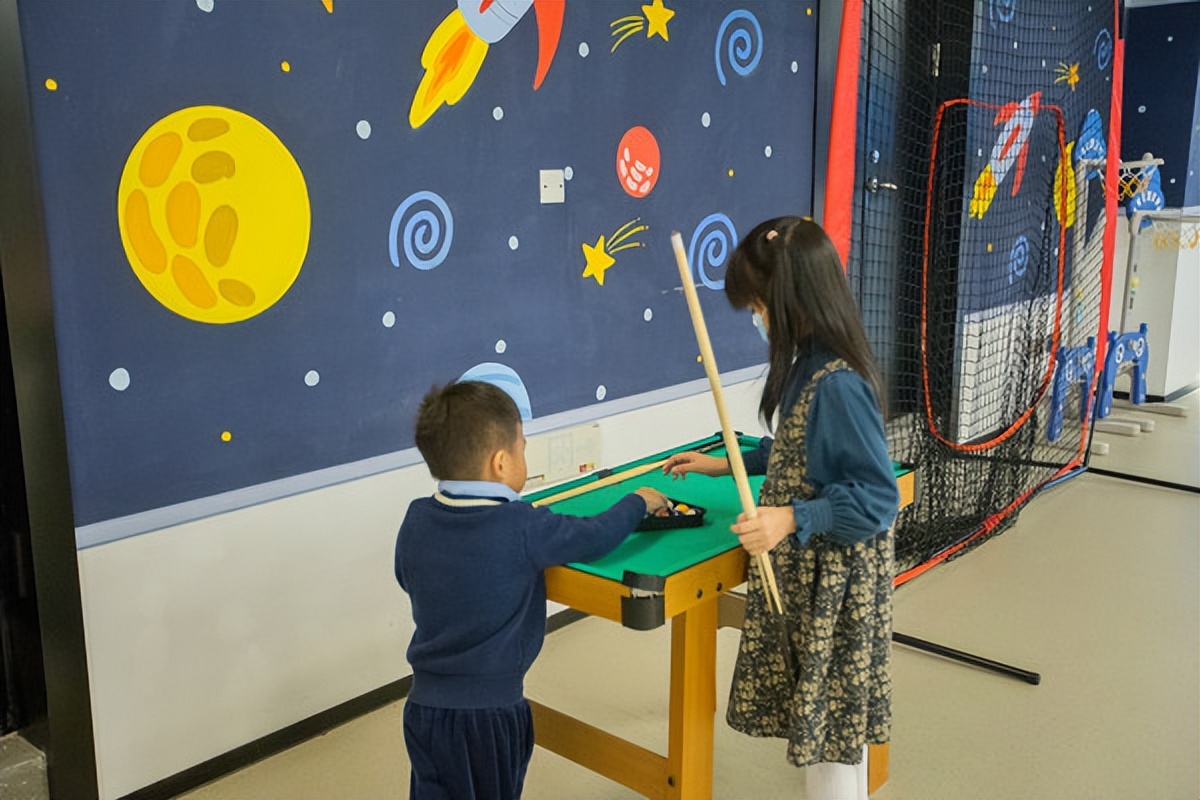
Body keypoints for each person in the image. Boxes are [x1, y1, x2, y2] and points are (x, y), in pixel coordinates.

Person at [663, 217, 900, 800]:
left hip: (837, 591)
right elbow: (805, 449)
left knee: (830, 738)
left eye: (759, 304)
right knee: (820, 725)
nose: (757, 317)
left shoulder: (839, 382)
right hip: (814, 581)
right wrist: (730, 463)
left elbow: (877, 498)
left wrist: (791, 517)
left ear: (790, 298)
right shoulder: (810, 363)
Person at [395, 380, 668, 800]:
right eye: (523, 447)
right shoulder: (523, 526)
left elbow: (407, 575)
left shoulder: (416, 518)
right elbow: (594, 538)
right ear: (501, 463)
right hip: (491, 713)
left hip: (423, 708)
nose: (525, 454)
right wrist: (637, 501)